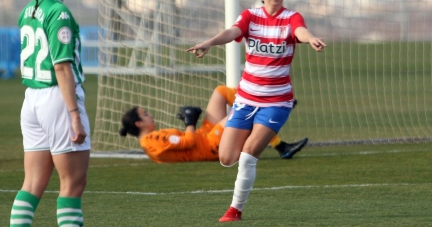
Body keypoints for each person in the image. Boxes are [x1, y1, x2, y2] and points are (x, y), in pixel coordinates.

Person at [186, 0, 326, 222]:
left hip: (277, 102)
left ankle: (234, 210)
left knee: (249, 154)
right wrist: (209, 41)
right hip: (246, 99)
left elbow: (299, 31)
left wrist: (311, 38)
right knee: (227, 158)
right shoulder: (251, 17)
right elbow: (232, 32)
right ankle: (253, 131)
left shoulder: (291, 17)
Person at [10, 0, 89, 227]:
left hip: (32, 100)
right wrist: (74, 116)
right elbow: (62, 67)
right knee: (72, 185)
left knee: (31, 184)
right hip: (57, 100)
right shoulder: (60, 14)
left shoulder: (29, 10)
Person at [119, 85, 308, 163]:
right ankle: (281, 145)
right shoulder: (153, 140)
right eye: (145, 114)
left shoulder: (152, 140)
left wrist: (192, 125)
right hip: (210, 145)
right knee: (242, 112)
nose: (150, 115)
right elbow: (189, 143)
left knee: (220, 92)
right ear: (139, 124)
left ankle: (264, 104)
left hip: (205, 135)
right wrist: (190, 122)